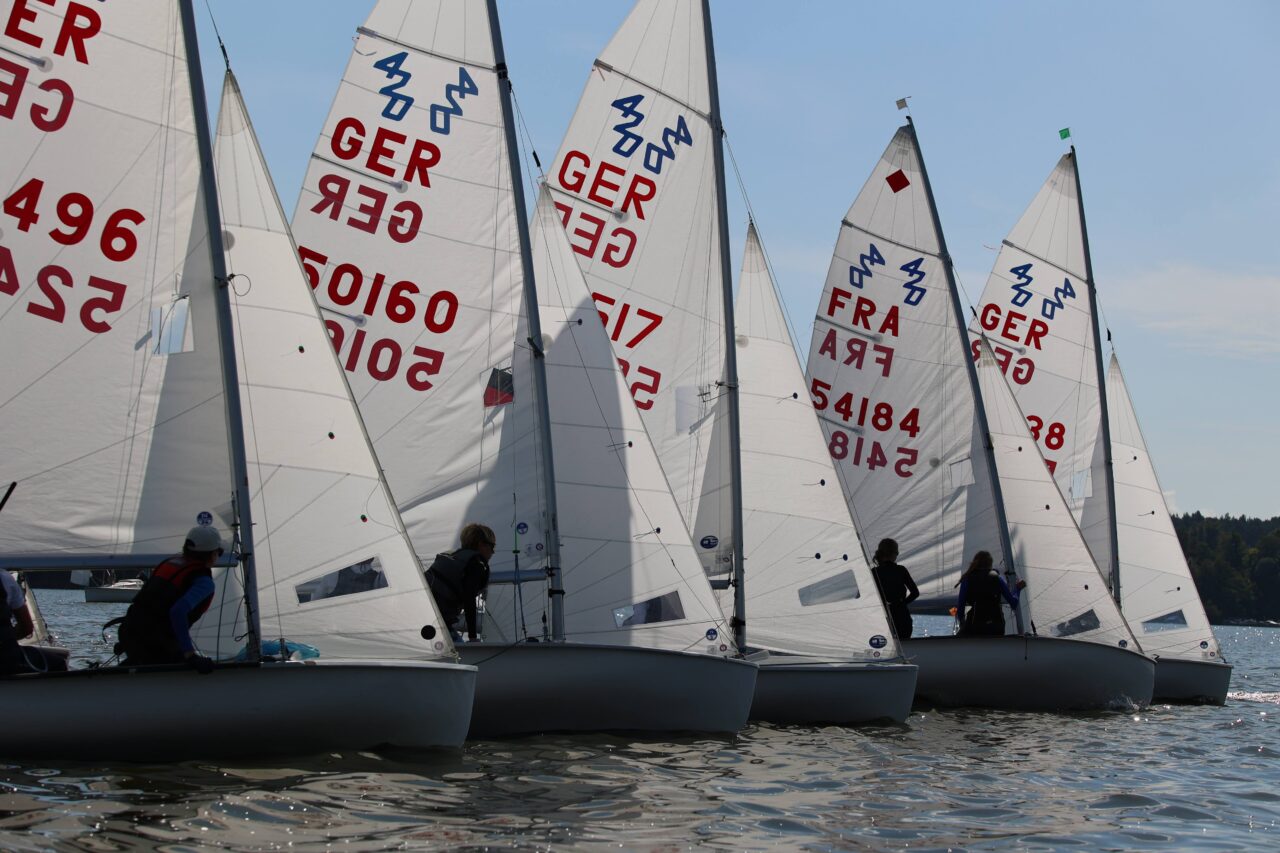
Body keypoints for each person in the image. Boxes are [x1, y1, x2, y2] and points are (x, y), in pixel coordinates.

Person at [116, 525, 222, 672]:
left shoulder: (168, 564)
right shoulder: (204, 581)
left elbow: (145, 602)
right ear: (212, 554)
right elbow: (177, 612)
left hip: (129, 632)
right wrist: (190, 654)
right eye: (219, 552)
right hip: (157, 642)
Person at [425, 523, 494, 642]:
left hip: (423, 614)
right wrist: (473, 638)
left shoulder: (449, 556)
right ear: (481, 544)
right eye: (492, 546)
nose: (493, 552)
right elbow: (469, 600)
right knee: (456, 650)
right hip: (437, 622)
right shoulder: (476, 564)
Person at [955, 550, 1026, 637]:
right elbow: (1013, 603)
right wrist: (1018, 589)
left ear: (975, 563)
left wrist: (962, 624)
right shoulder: (997, 578)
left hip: (975, 627)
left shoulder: (967, 579)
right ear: (990, 564)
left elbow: (960, 608)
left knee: (960, 636)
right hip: (997, 627)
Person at [870, 538, 919, 639]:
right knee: (904, 641)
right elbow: (915, 593)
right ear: (894, 553)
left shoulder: (874, 572)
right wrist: (902, 603)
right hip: (902, 616)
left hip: (881, 617)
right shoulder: (901, 570)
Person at [0, 570, 37, 675]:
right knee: (59, 663)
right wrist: (6, 639)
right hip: (5, 658)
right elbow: (26, 627)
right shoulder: (5, 577)